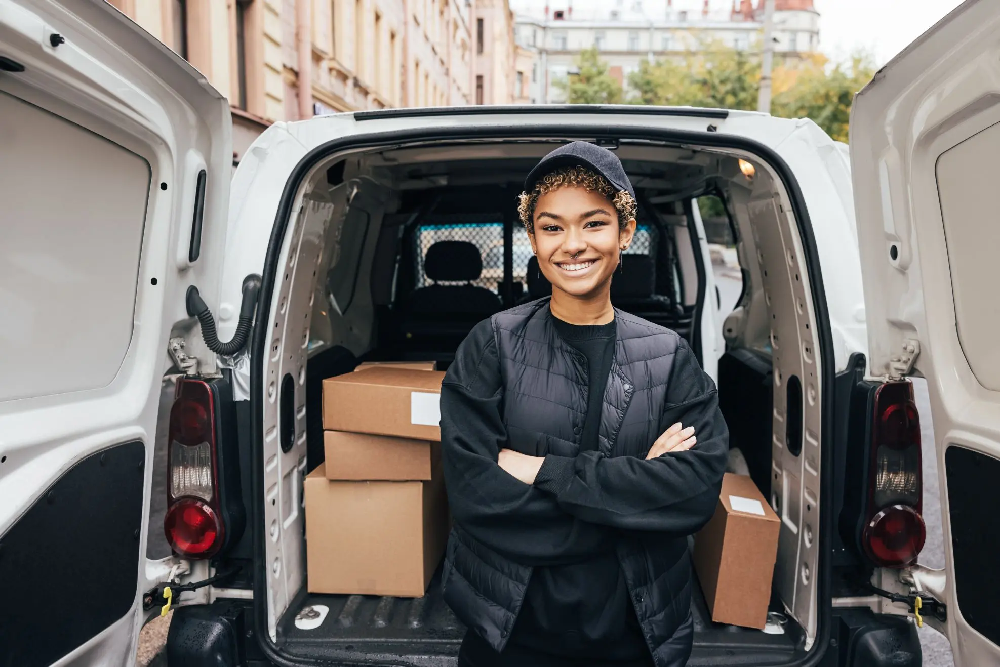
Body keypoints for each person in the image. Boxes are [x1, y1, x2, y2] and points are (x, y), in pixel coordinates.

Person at [440, 141, 729, 667]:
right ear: (533, 239)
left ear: (625, 232)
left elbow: (693, 496)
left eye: (593, 223)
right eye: (552, 227)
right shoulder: (492, 345)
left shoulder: (668, 357)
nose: (572, 244)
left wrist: (541, 470)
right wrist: (633, 500)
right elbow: (475, 497)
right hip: (509, 635)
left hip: (636, 637)